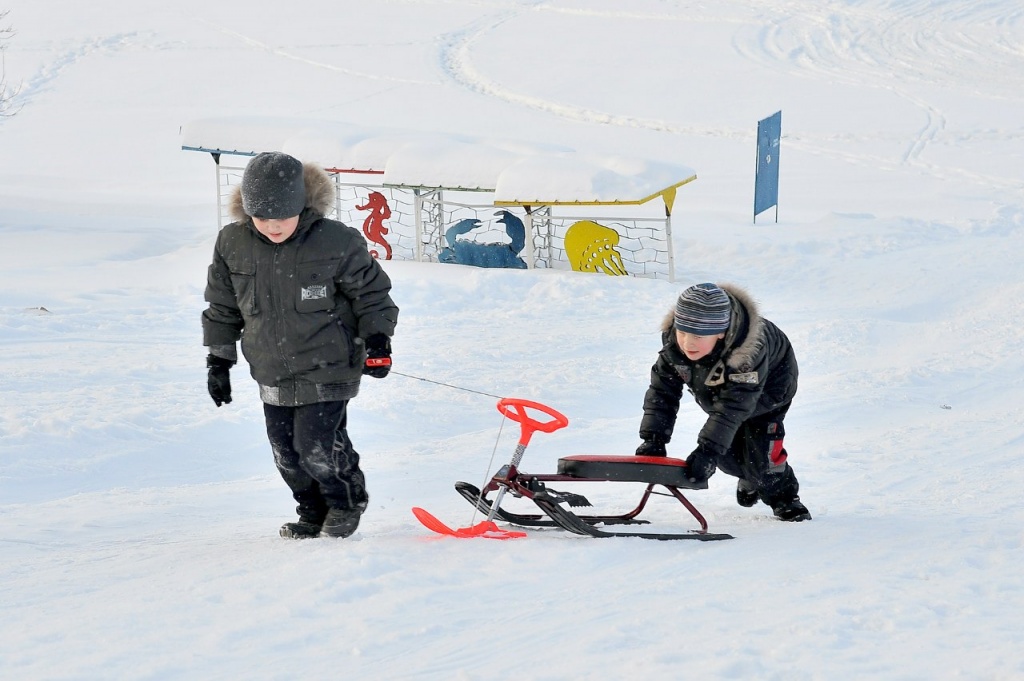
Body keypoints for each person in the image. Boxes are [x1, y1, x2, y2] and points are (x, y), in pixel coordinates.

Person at [202, 151, 399, 539]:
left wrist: (378, 341)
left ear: (302, 205)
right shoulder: (233, 243)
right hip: (272, 368)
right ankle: (312, 510)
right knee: (287, 454)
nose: (272, 226)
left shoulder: (336, 241)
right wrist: (218, 361)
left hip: (329, 365)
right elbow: (223, 306)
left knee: (316, 445)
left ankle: (345, 501)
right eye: (261, 217)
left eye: (282, 216)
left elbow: (372, 295)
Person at [636, 282, 811, 521]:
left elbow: (734, 407)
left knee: (761, 458)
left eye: (697, 335)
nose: (687, 343)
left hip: (767, 394)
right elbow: (662, 393)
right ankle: (747, 476)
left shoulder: (747, 353)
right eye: (682, 332)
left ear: (720, 332)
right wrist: (654, 439)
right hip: (718, 388)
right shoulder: (674, 346)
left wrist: (707, 451)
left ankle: (785, 498)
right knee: (727, 455)